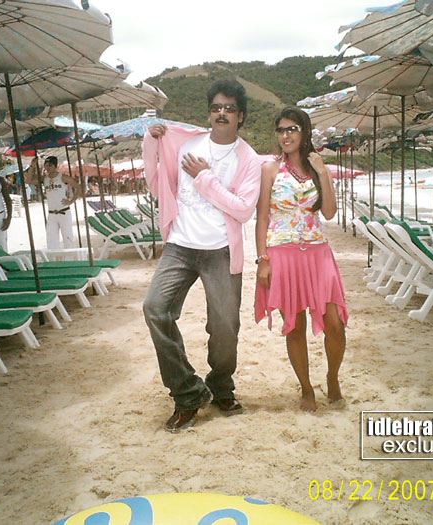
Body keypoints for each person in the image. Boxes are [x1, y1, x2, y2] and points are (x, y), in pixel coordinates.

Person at [142, 79, 262, 432]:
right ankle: (188, 392)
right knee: (155, 309)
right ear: (209, 113)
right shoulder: (187, 145)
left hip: (220, 250)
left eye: (229, 108)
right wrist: (150, 142)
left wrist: (205, 178)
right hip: (180, 246)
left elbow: (243, 210)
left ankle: (221, 386)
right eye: (216, 108)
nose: (221, 113)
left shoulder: (249, 159)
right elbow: (157, 183)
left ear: (241, 116)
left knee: (225, 327)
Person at [254, 106, 349, 412]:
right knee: (294, 325)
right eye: (281, 130)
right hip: (282, 254)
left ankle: (332, 378)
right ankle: (307, 389)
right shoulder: (270, 169)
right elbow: (262, 217)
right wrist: (262, 260)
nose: (285, 135)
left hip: (318, 253)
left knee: (334, 322)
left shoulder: (317, 167)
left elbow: (330, 213)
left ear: (304, 131)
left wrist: (323, 173)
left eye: (292, 129)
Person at [27, 155, 80, 250]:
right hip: (51, 214)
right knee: (51, 241)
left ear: (55, 166)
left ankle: (70, 258)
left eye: (50, 165)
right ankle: (55, 258)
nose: (47, 167)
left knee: (68, 239)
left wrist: (71, 201)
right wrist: (32, 166)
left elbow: (79, 187)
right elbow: (28, 180)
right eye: (46, 165)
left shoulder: (63, 177)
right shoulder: (44, 179)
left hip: (64, 212)